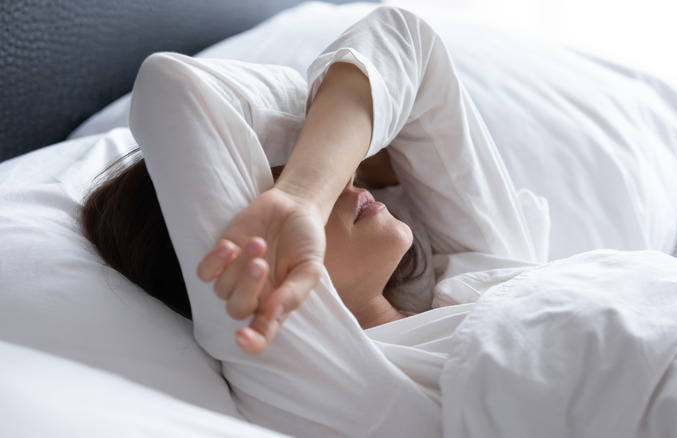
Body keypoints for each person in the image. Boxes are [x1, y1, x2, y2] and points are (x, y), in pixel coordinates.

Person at [83, 6, 548, 436]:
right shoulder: (336, 377)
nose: (346, 177)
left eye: (336, 174)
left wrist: (305, 192)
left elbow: (406, 40)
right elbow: (178, 86)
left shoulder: (478, 272)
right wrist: (300, 198)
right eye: (277, 188)